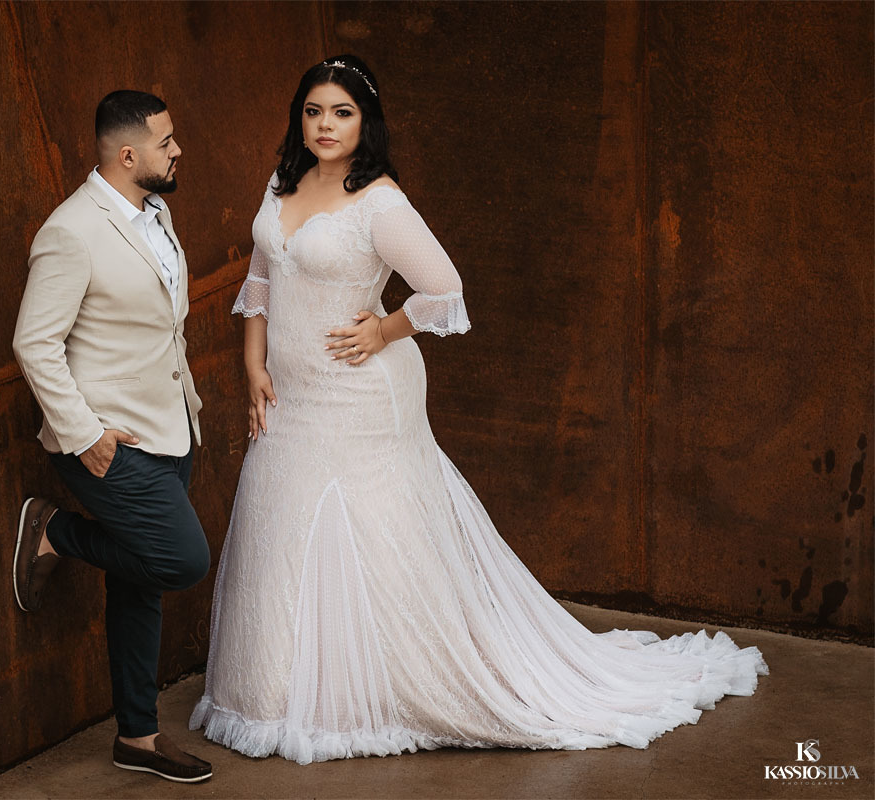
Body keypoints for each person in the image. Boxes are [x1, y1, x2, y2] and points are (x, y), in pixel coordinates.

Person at [189, 56, 768, 765]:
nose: (325, 126)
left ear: (366, 122)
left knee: (365, 530)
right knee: (282, 521)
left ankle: (373, 690)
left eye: (342, 112)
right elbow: (261, 275)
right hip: (291, 391)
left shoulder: (380, 201)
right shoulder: (284, 182)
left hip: (360, 395)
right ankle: (275, 694)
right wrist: (253, 363)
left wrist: (383, 330)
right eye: (314, 111)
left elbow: (444, 289)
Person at [12, 89, 213, 783]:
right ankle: (54, 532)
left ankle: (138, 738)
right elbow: (34, 343)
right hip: (108, 444)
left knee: (140, 582)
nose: (177, 150)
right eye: (166, 142)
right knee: (181, 560)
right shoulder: (71, 232)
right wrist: (84, 435)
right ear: (128, 155)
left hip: (170, 429)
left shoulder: (155, 212)